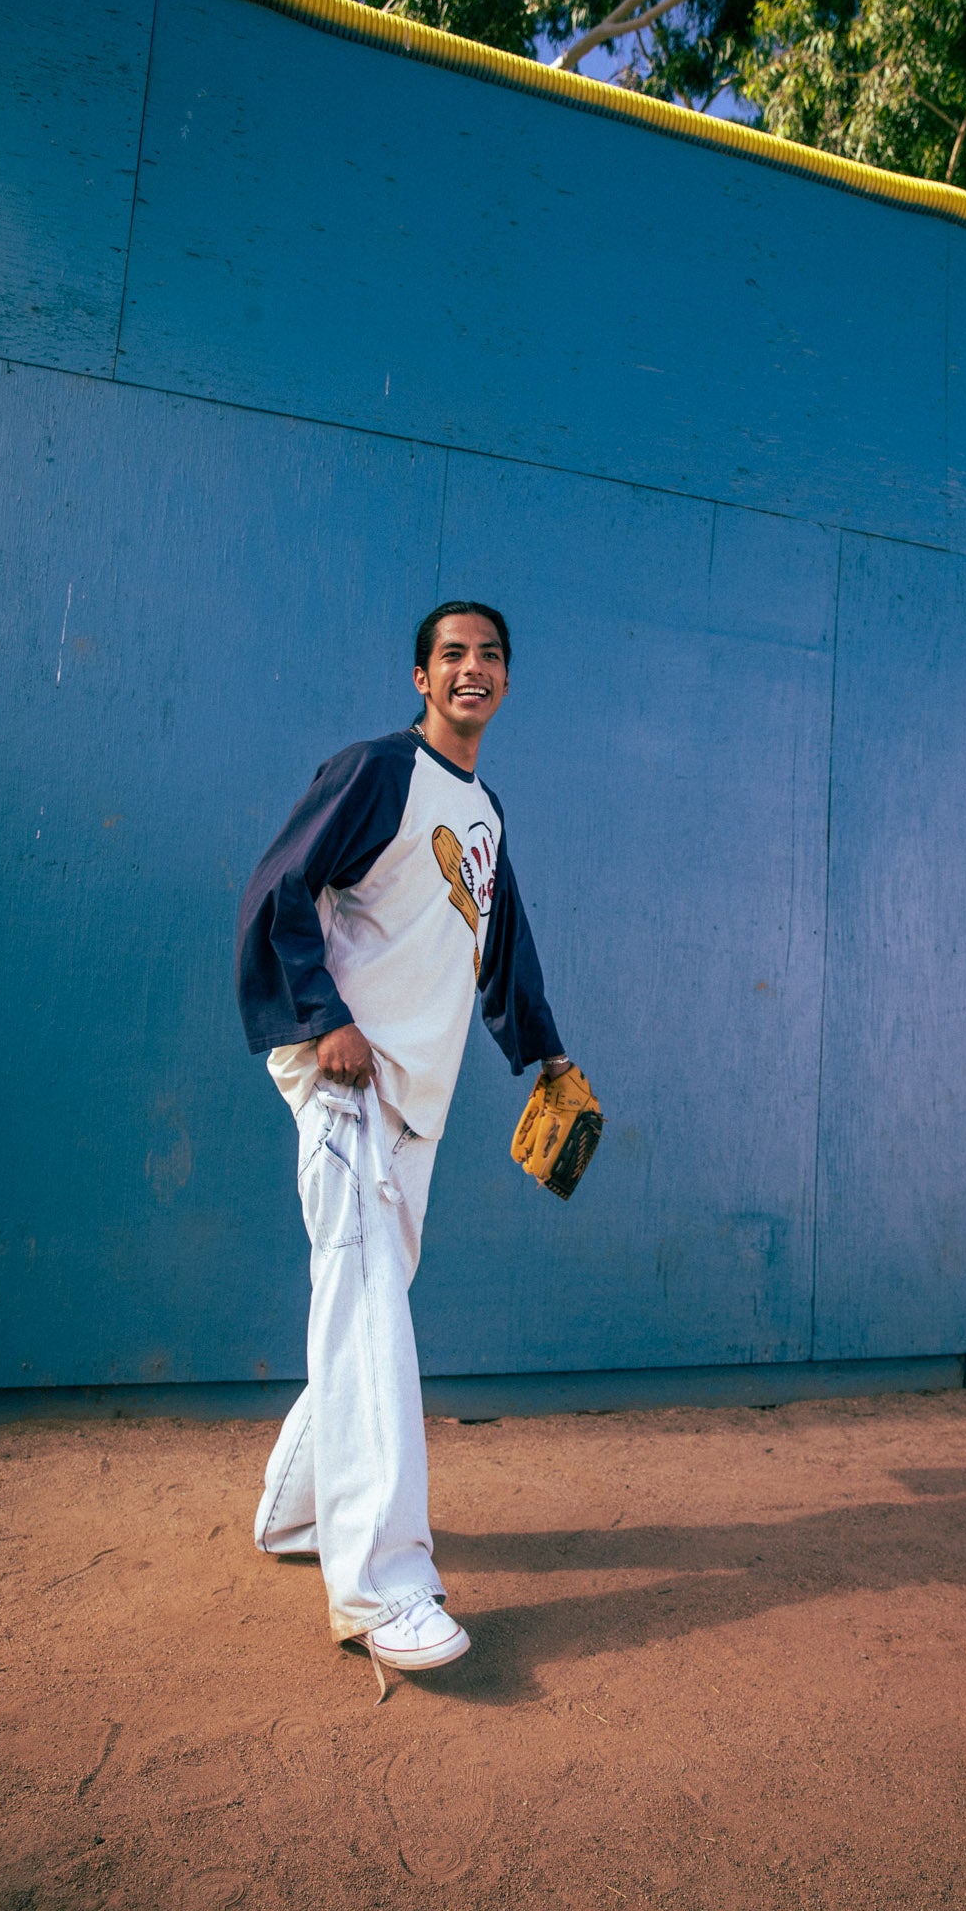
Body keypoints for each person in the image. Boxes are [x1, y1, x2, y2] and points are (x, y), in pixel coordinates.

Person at [234, 601, 577, 1689]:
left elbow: (502, 944)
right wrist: (319, 1018)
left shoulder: (483, 812)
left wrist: (547, 1054)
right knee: (368, 1305)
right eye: (452, 654)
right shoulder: (378, 771)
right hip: (350, 1074)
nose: (472, 668)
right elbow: (279, 889)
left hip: (416, 1092)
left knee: (367, 1301)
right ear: (421, 678)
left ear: (506, 681)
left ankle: (297, 1510)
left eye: (490, 655)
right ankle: (382, 1588)